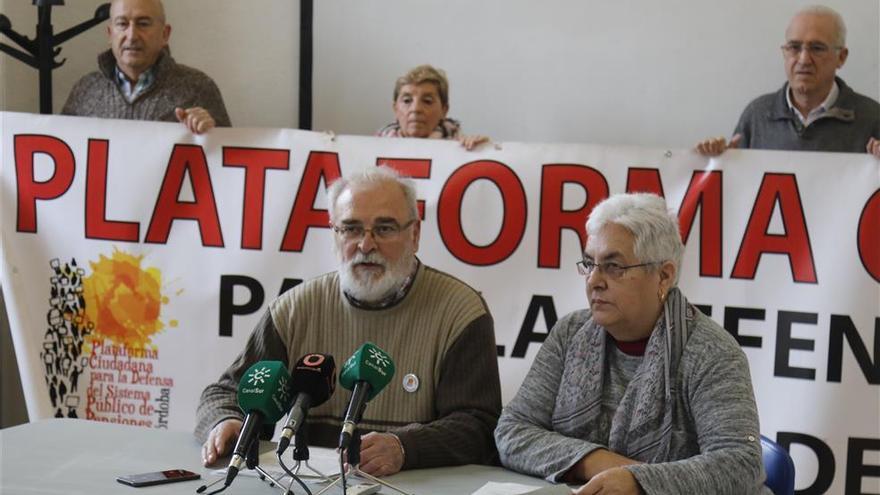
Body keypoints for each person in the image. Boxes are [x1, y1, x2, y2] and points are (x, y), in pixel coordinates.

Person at [196, 166, 501, 477]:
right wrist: (228, 421)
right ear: (335, 233)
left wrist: (405, 447)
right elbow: (224, 394)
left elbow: (479, 426)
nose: (366, 245)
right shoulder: (295, 309)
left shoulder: (460, 311)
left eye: (384, 229)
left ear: (415, 234)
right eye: (352, 228)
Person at [495, 193, 769, 494]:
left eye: (613, 267)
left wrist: (639, 483)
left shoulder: (710, 352)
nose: (594, 281)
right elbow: (512, 430)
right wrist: (598, 462)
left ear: (664, 276)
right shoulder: (570, 333)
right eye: (590, 264)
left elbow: (740, 464)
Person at [696, 5, 880, 158]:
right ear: (784, 52)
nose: (803, 59)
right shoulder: (757, 115)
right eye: (794, 47)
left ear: (841, 57)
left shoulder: (872, 118)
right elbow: (737, 192)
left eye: (817, 48)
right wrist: (720, 161)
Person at [61, 0, 230, 134]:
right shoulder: (85, 90)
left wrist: (212, 131)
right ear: (110, 34)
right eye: (122, 24)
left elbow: (228, 162)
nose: (132, 35)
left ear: (165, 34)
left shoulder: (199, 88)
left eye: (143, 23)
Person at [377, 64, 490, 150]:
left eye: (427, 101)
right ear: (395, 109)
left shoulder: (461, 147)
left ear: (444, 110)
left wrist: (482, 151)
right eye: (407, 101)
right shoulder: (375, 147)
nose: (415, 109)